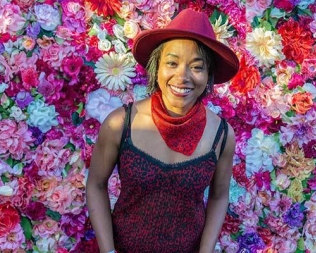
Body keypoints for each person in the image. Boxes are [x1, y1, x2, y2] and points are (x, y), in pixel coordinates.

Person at [86, 8, 239, 253]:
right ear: (156, 67)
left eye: (197, 67)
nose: (183, 76)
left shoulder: (221, 135)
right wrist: (108, 250)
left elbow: (219, 197)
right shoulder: (120, 124)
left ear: (209, 75)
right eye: (172, 63)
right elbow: (95, 184)